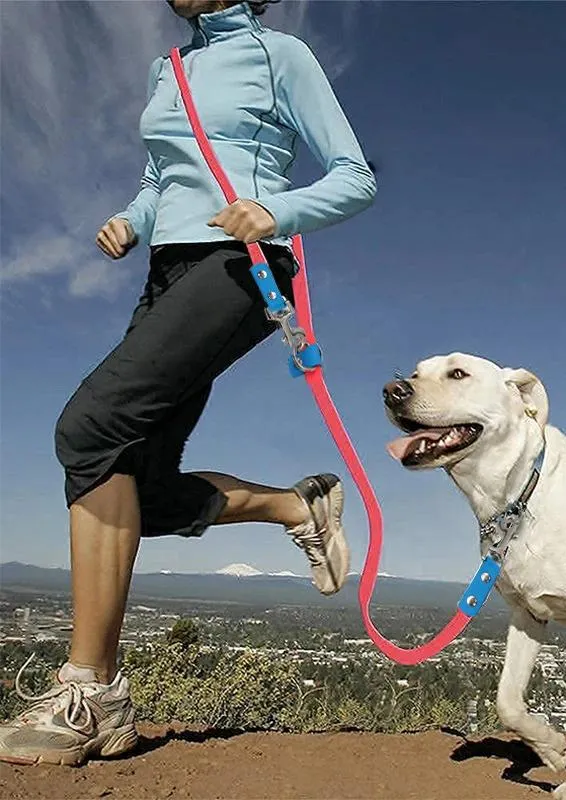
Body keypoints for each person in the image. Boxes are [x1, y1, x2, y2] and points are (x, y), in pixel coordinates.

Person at [0, 0, 376, 766]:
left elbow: (355, 177)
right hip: (165, 272)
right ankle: (294, 505)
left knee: (87, 429)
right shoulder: (165, 67)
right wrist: (133, 218)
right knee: (140, 487)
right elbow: (161, 176)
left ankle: (91, 689)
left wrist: (275, 208)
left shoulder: (281, 55)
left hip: (240, 267)